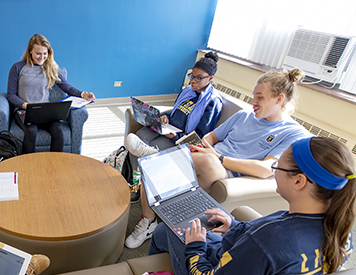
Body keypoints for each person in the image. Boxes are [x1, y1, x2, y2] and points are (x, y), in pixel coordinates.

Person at [149, 137, 355, 275]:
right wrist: (235, 226)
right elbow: (257, 249)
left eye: (277, 167)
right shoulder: (341, 231)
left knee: (168, 228)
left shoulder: (268, 239)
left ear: (299, 181)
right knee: (171, 230)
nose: (274, 172)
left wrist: (194, 248)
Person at [125, 68, 311, 249]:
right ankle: (148, 222)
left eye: (260, 97)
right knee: (155, 170)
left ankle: (156, 155)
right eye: (254, 95)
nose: (253, 102)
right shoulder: (245, 115)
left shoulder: (292, 133)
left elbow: (265, 169)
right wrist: (202, 145)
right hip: (208, 157)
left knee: (202, 161)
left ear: (279, 99)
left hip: (229, 171)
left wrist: (218, 157)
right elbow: (211, 137)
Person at [7, 33, 96, 154]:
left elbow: (67, 87)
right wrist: (25, 105)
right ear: (30, 51)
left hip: (44, 110)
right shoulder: (17, 68)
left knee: (58, 130)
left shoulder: (51, 67)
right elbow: (10, 95)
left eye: (45, 53)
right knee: (31, 131)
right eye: (38, 53)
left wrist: (83, 94)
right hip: (24, 110)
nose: (42, 57)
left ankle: (55, 164)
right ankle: (30, 165)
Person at [125, 51, 223, 159]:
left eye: (199, 78)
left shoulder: (213, 102)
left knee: (146, 147)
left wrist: (176, 137)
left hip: (179, 140)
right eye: (192, 76)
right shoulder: (188, 91)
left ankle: (148, 161)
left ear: (210, 78)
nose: (193, 81)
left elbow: (201, 136)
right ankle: (131, 173)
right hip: (167, 127)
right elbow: (176, 110)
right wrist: (166, 115)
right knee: (139, 136)